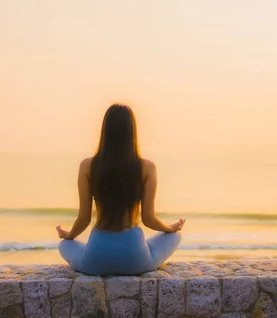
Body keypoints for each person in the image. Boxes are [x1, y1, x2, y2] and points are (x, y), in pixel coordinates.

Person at [56, 104, 184, 275]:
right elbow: (148, 219)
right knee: (174, 237)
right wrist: (171, 228)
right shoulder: (147, 167)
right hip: (135, 259)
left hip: (95, 259)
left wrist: (70, 235)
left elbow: (84, 218)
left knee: (64, 244)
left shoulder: (88, 166)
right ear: (132, 132)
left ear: (105, 130)